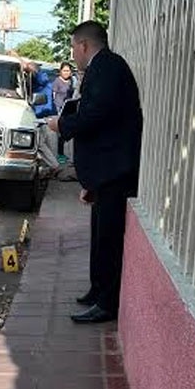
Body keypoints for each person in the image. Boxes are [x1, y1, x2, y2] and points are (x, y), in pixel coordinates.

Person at [47, 21, 143, 323]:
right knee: (100, 235)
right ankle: (98, 290)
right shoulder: (103, 67)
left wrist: (62, 125)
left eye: (74, 47)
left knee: (109, 239)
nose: (72, 54)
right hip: (105, 170)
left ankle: (107, 302)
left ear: (84, 45)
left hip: (115, 169)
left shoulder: (107, 67)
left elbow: (96, 114)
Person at [52, 62, 75, 164]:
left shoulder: (72, 81)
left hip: (69, 110)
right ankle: (59, 154)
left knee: (68, 133)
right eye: (64, 70)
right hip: (59, 109)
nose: (66, 73)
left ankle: (69, 155)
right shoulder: (57, 82)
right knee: (60, 133)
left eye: (68, 71)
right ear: (60, 71)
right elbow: (53, 96)